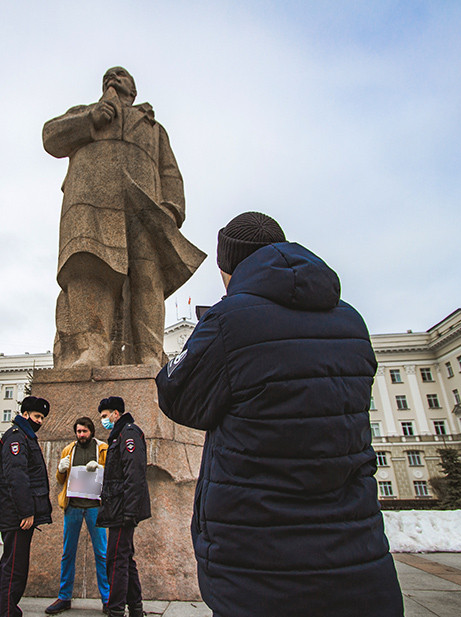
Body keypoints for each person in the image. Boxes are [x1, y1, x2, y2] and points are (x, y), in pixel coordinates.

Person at [155, 212, 404, 617]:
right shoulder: (351, 321)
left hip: (260, 563)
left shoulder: (228, 320)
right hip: (356, 555)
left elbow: (177, 397)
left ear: (228, 268)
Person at [43, 66, 205, 368]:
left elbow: (170, 171)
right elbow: (50, 137)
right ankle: (91, 350)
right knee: (90, 269)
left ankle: (148, 354)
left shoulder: (153, 126)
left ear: (133, 89)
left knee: (147, 278)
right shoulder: (86, 112)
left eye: (121, 75)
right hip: (89, 199)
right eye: (109, 76)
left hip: (143, 203)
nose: (113, 77)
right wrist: (90, 119)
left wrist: (172, 207)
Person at [0, 396, 53, 617]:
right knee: (14, 570)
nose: (40, 421)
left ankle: (3, 611)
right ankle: (7, 612)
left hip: (17, 514)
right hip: (17, 516)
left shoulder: (26, 437)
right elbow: (17, 478)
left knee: (11, 566)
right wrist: (26, 511)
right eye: (37, 416)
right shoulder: (17, 438)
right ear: (25, 414)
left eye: (42, 418)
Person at [45, 417, 109, 615]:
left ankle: (108, 599)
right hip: (73, 505)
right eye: (78, 431)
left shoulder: (102, 449)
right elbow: (60, 478)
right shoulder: (68, 450)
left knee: (102, 553)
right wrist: (60, 469)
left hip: (94, 507)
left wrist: (101, 469)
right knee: (67, 552)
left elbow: (112, 473)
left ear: (91, 431)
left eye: (84, 431)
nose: (81, 435)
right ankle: (64, 597)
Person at [95, 397, 150, 617]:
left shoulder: (128, 433)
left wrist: (130, 511)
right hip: (119, 506)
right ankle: (135, 607)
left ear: (116, 413)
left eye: (105, 415)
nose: (103, 420)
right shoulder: (118, 435)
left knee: (115, 560)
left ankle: (116, 609)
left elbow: (134, 473)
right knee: (125, 559)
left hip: (123, 508)